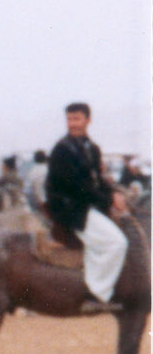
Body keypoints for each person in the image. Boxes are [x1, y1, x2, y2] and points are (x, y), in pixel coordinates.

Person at [46, 102, 127, 306]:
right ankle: (95, 294)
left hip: (83, 203)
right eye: (69, 119)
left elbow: (97, 180)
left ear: (87, 120)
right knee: (117, 243)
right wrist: (108, 200)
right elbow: (76, 187)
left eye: (76, 119)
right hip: (69, 207)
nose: (72, 124)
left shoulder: (92, 148)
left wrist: (114, 194)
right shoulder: (62, 150)